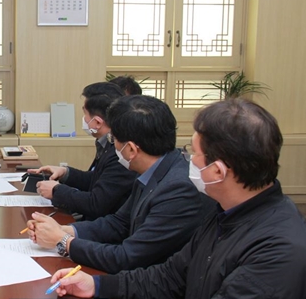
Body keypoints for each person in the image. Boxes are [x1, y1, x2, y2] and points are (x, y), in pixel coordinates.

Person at [40, 98, 306, 299]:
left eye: (194, 154)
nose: (188, 161)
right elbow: (170, 276)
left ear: (217, 171)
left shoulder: (279, 248)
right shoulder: (228, 212)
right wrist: (97, 286)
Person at [28, 95, 212, 275]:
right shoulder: (154, 170)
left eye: (113, 140)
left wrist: (64, 241)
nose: (112, 146)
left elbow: (127, 257)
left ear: (131, 149)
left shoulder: (178, 190)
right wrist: (65, 230)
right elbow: (119, 223)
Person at [29, 82, 136, 220]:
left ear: (97, 122)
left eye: (85, 114)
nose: (84, 120)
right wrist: (65, 172)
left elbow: (96, 203)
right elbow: (99, 180)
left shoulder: (121, 152)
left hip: (102, 226)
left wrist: (56, 191)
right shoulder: (107, 143)